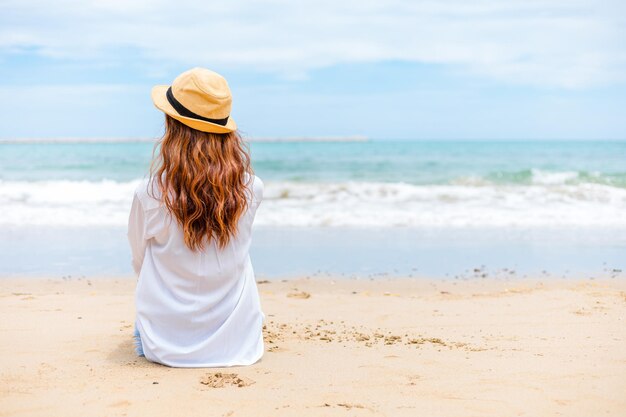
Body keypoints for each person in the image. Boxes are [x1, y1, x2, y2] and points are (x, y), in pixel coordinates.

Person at [127, 67, 265, 367]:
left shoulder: (149, 193)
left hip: (164, 346)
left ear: (172, 127)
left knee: (152, 261)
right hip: (239, 344)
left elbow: (139, 260)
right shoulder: (251, 188)